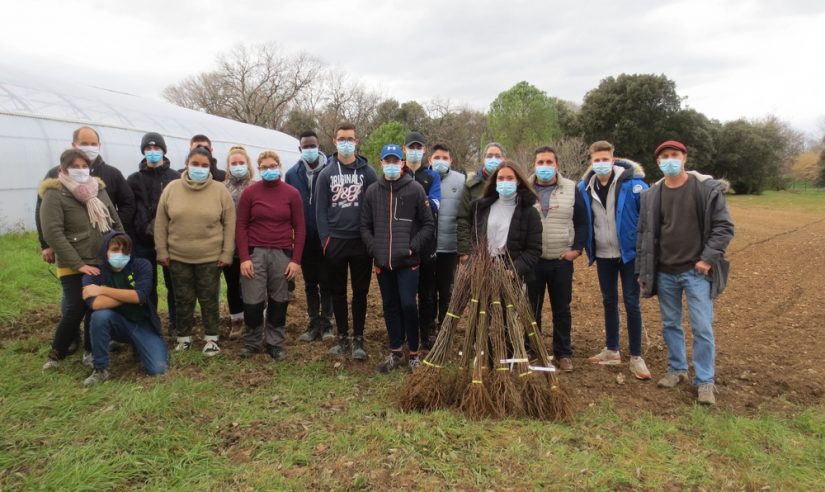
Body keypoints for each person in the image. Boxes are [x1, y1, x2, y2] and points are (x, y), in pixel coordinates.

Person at [637, 140, 734, 405]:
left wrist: (707, 259)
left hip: (696, 272)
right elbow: (644, 235)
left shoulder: (705, 189)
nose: (670, 159)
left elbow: (723, 227)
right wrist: (644, 271)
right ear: (658, 163)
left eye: (674, 155)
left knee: (702, 327)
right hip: (665, 272)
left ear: (684, 158)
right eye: (664, 157)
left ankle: (704, 381)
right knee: (670, 324)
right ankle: (677, 369)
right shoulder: (652, 194)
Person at [35, 126, 134, 355]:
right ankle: (59, 349)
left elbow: (114, 219)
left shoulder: (98, 189)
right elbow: (53, 231)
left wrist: (122, 248)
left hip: (99, 258)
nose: (80, 170)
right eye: (74, 167)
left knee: (94, 307)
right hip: (73, 261)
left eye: (83, 167)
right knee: (74, 308)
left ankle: (92, 351)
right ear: (63, 169)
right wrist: (77, 263)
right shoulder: (54, 192)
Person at [578, 141, 651, 380]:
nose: (601, 163)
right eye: (596, 160)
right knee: (609, 300)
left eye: (605, 159)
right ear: (591, 161)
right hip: (603, 254)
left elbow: (647, 222)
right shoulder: (584, 188)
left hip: (628, 255)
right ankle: (612, 350)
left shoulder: (635, 185)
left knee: (632, 303)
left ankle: (636, 357)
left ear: (613, 159)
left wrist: (645, 255)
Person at [154, 147, 236, 356]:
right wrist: (161, 251)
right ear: (187, 164)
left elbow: (229, 223)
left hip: (210, 257)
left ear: (210, 167)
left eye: (204, 165)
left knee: (209, 298)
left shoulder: (220, 191)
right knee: (183, 298)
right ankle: (184, 338)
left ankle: (211, 338)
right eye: (195, 164)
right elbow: (161, 223)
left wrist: (227, 253)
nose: (199, 168)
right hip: (178, 256)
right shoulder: (172, 189)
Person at [361, 144, 435, 372]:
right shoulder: (373, 191)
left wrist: (413, 248)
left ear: (401, 163)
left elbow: (428, 224)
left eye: (395, 161)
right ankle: (395, 351)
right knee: (390, 306)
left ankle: (414, 352)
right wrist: (375, 249)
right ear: (381, 163)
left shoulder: (414, 189)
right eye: (387, 161)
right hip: (383, 262)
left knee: (408, 304)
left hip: (407, 262)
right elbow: (364, 225)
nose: (391, 165)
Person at [315, 122, 377, 360]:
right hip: (336, 241)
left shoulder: (368, 173)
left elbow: (374, 207)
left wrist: (371, 238)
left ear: (357, 141)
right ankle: (342, 337)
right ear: (334, 141)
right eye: (342, 139)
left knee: (360, 293)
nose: (346, 143)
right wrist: (325, 240)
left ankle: (358, 338)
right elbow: (320, 210)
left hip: (360, 241)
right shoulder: (326, 174)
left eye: (350, 139)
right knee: (338, 291)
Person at [235, 150, 306, 360]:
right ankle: (252, 342)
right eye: (264, 167)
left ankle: (275, 342)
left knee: (279, 300)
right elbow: (241, 226)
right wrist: (245, 257)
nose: (269, 170)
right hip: (255, 252)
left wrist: (295, 260)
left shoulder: (291, 193)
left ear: (279, 167)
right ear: (258, 169)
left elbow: (300, 228)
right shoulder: (250, 193)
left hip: (282, 253)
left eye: (272, 166)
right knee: (252, 301)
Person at [525, 146, 587, 372]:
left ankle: (563, 353)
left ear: (557, 165)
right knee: (532, 308)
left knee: (562, 308)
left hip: (561, 259)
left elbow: (582, 221)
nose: (544, 167)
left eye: (548, 162)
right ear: (534, 165)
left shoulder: (571, 188)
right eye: (540, 162)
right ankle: (533, 350)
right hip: (534, 260)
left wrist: (577, 249)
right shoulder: (525, 188)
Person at [81, 232, 169, 386]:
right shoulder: (95, 273)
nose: (120, 254)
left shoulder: (142, 265)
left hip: (142, 324)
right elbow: (95, 304)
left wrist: (102, 290)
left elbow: (139, 296)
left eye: (125, 251)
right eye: (115, 250)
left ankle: (138, 346)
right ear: (105, 251)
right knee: (99, 316)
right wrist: (129, 295)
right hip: (117, 324)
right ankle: (100, 369)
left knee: (158, 369)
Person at [127, 132, 180, 338]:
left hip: (169, 241)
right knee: (147, 286)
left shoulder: (174, 178)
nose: (152, 152)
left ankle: (176, 324)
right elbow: (129, 210)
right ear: (143, 152)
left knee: (173, 285)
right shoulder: (134, 179)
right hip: (142, 242)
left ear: (164, 151)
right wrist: (133, 236)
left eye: (156, 149)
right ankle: (151, 323)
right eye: (148, 149)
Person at [285, 130, 335, 343]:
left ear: (319, 146)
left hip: (327, 236)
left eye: (312, 145)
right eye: (305, 146)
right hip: (304, 238)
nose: (309, 150)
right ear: (300, 149)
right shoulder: (292, 174)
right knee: (310, 282)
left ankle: (327, 324)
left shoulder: (332, 170)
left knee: (327, 281)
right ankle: (313, 322)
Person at [465, 160, 542, 284]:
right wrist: (476, 263)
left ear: (518, 181)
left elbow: (534, 250)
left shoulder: (530, 213)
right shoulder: (481, 208)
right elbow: (474, 240)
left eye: (510, 178)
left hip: (513, 276)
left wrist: (513, 270)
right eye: (500, 178)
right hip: (484, 272)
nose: (505, 182)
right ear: (495, 182)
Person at [402, 131, 441, 348]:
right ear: (404, 149)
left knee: (427, 292)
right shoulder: (399, 172)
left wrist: (412, 205)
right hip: (403, 241)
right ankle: (408, 331)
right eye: (411, 147)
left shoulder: (432, 176)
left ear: (424, 150)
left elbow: (435, 205)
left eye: (419, 147)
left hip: (427, 241)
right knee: (406, 291)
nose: (415, 151)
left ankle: (427, 332)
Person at [430, 143, 465, 329]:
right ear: (430, 160)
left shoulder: (461, 181)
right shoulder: (423, 178)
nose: (440, 161)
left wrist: (463, 246)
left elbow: (464, 215)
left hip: (449, 247)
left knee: (446, 290)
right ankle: (428, 326)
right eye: (437, 158)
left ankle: (445, 326)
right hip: (427, 247)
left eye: (445, 158)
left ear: (451, 160)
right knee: (428, 290)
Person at [223, 145, 255, 339]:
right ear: (228, 165)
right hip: (229, 245)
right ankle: (236, 320)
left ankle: (255, 319)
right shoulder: (221, 188)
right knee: (233, 284)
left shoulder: (255, 185)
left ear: (247, 164)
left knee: (252, 285)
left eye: (241, 163)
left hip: (252, 245)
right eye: (234, 163)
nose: (237, 166)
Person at [456, 142, 506, 263]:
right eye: (489, 156)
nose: (493, 159)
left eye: (497, 156)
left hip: (505, 251)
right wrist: (463, 251)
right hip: (477, 251)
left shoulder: (511, 184)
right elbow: (463, 219)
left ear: (504, 159)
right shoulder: (471, 186)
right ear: (483, 159)